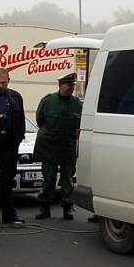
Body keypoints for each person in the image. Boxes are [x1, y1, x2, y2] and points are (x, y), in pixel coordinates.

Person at [33, 72, 83, 221]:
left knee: (67, 179)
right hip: (49, 146)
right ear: (60, 85)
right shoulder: (48, 101)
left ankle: (67, 208)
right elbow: (39, 120)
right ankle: (44, 207)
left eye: (72, 86)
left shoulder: (77, 104)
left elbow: (79, 125)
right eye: (68, 85)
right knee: (48, 178)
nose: (70, 89)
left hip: (67, 146)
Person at [0, 67, 26, 225]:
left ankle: (9, 214)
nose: (0, 86)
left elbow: (20, 119)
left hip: (9, 142)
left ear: (8, 81)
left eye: (3, 83)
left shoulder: (15, 97)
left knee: (7, 180)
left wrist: (18, 139)